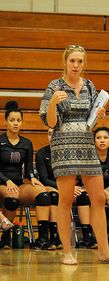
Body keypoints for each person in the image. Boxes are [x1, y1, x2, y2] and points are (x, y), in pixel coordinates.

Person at [39, 44, 109, 265]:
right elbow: (49, 122)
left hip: (87, 146)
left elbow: (92, 122)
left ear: (84, 63)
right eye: (72, 61)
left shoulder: (89, 85)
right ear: (65, 62)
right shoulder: (55, 86)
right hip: (64, 147)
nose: (76, 65)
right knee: (66, 200)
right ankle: (67, 252)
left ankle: (104, 251)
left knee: (98, 198)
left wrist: (100, 115)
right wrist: (52, 103)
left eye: (80, 61)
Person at [0, 101, 52, 250]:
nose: (15, 123)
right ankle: (5, 238)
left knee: (43, 195)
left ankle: (42, 239)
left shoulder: (26, 143)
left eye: (18, 120)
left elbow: (29, 168)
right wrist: (7, 181)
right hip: (2, 183)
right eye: (12, 120)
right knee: (12, 198)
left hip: (19, 183)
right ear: (6, 122)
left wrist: (33, 178)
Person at [36, 128, 96, 249]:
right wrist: (67, 188)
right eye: (48, 134)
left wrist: (73, 187)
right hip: (51, 186)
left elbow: (78, 175)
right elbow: (44, 179)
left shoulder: (69, 151)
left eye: (55, 134)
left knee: (83, 196)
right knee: (54, 196)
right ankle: (54, 237)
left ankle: (87, 236)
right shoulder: (41, 153)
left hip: (70, 187)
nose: (51, 137)